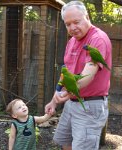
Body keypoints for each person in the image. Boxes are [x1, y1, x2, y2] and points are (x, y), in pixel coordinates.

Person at [45, 1, 112, 150]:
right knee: (66, 143)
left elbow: (88, 75)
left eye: (76, 22)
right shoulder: (72, 42)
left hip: (89, 106)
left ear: (87, 17)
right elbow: (65, 74)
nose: (72, 27)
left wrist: (68, 93)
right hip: (72, 103)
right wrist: (54, 99)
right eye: (68, 24)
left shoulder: (97, 39)